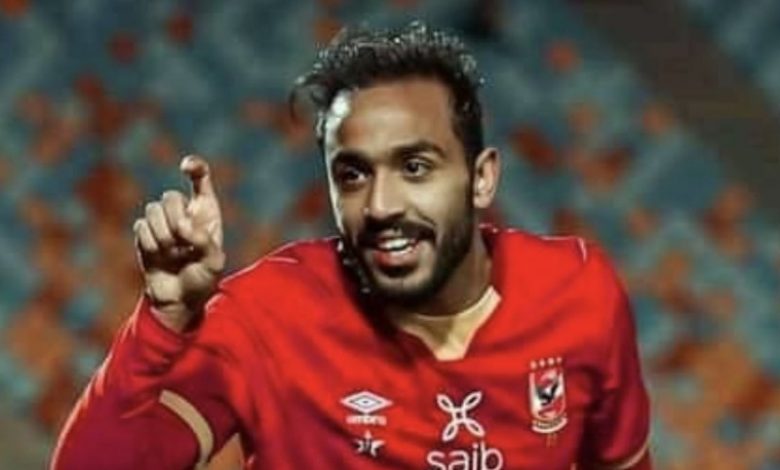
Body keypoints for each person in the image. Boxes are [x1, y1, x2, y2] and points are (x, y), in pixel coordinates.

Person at [52, 22, 651, 470]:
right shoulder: (269, 316)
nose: (381, 205)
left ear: (481, 178)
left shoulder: (578, 295)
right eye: (353, 174)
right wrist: (164, 320)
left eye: (415, 167)